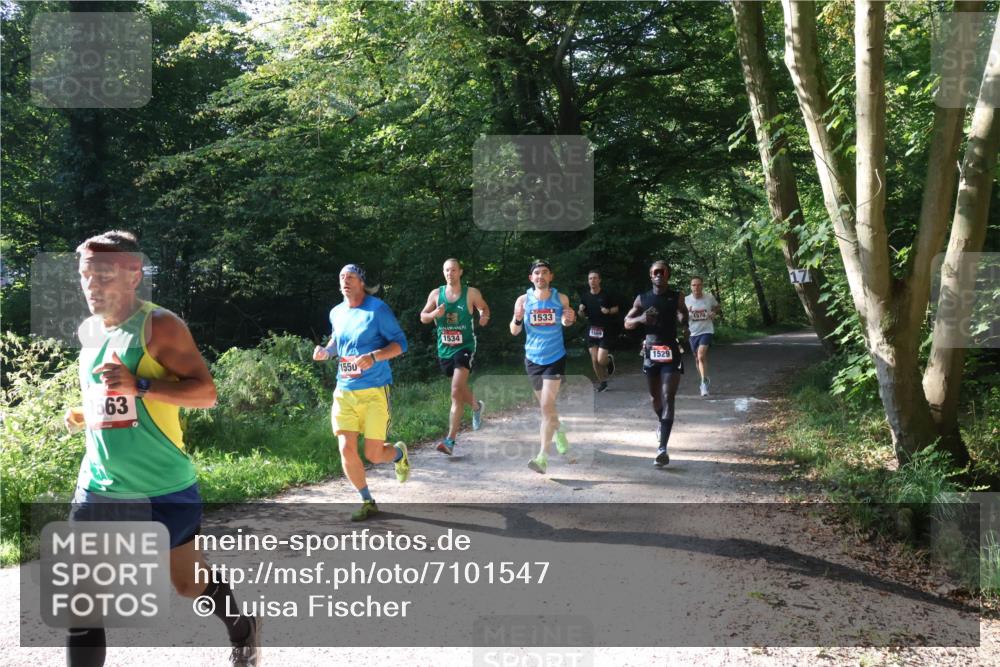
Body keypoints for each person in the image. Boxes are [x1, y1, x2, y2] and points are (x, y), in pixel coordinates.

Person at [63, 230, 261, 667]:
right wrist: (86, 413)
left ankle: (243, 629)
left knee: (190, 586)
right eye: (85, 275)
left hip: (162, 487)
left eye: (103, 274)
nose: (92, 285)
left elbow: (206, 393)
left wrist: (142, 385)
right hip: (99, 486)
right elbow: (113, 398)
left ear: (134, 274)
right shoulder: (89, 330)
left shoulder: (160, 326)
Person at [313, 264, 409, 521]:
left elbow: (401, 343)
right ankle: (367, 500)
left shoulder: (377, 310)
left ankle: (399, 454)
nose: (345, 280)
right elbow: (337, 341)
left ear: (361, 283)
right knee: (346, 448)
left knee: (374, 455)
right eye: (342, 276)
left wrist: (374, 356)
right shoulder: (337, 312)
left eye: (351, 277)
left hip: (374, 391)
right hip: (344, 390)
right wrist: (327, 351)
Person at [509, 259, 576, 474]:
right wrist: (518, 319)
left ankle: (542, 458)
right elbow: (514, 331)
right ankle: (559, 430)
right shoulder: (523, 300)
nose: (541, 276)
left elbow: (566, 323)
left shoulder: (561, 298)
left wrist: (570, 318)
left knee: (547, 406)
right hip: (532, 359)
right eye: (537, 273)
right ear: (531, 278)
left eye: (545, 272)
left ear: (550, 276)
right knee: (546, 409)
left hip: (555, 356)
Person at [419, 259, 489, 455]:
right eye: (446, 270)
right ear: (443, 273)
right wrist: (434, 313)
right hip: (445, 349)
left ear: (460, 272)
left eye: (453, 270)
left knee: (455, 390)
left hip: (465, 346)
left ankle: (450, 441)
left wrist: (484, 316)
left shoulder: (471, 293)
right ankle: (476, 406)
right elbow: (423, 317)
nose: (450, 273)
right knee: (459, 388)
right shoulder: (436, 294)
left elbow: (484, 307)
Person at [624, 260, 689, 467]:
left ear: (668, 274)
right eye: (655, 272)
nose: (659, 274)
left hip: (671, 351)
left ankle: (662, 448)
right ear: (650, 275)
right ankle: (662, 424)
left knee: (668, 396)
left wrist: (683, 319)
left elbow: (682, 313)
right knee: (655, 398)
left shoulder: (677, 296)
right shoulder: (642, 299)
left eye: (663, 271)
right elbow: (627, 322)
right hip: (651, 352)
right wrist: (641, 319)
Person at [577, 269, 618, 392]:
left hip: (605, 330)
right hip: (591, 330)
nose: (592, 280)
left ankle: (608, 360)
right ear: (588, 281)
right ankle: (603, 382)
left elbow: (616, 308)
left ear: (599, 280)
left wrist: (609, 311)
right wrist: (580, 310)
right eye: (590, 278)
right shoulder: (585, 296)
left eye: (595, 278)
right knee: (594, 360)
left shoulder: (606, 294)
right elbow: (582, 316)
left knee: (601, 359)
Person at [685, 277, 721, 396]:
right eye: (694, 285)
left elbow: (717, 306)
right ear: (691, 287)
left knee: (701, 355)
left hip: (706, 331)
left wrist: (714, 313)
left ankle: (703, 384)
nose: (696, 287)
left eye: (699, 285)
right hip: (693, 332)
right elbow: (679, 315)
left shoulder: (709, 297)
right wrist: (686, 313)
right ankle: (704, 378)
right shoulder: (686, 300)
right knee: (698, 358)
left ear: (702, 286)